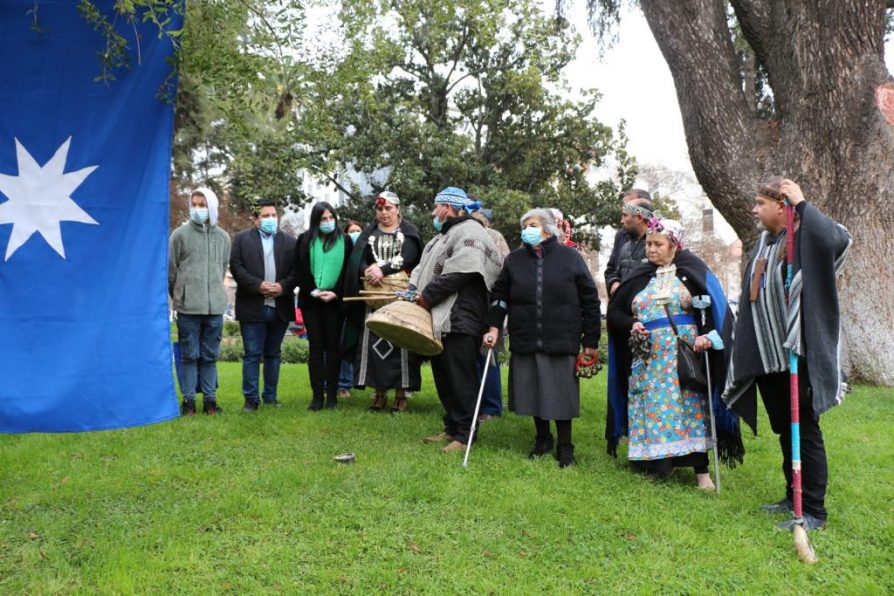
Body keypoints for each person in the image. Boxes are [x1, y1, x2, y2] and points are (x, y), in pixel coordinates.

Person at [723, 177, 851, 531]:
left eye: (760, 203)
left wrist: (804, 205)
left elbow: (838, 241)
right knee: (785, 429)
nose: (754, 210)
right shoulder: (766, 241)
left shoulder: (805, 237)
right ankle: (792, 492)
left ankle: (813, 510)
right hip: (770, 357)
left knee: (804, 428)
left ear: (782, 206)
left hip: (799, 353)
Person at [607, 216, 742, 488]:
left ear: (674, 246)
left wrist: (706, 336)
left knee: (691, 409)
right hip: (648, 361)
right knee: (654, 411)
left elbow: (710, 311)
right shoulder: (636, 278)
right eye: (649, 244)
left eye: (658, 244)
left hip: (684, 356)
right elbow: (614, 313)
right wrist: (631, 323)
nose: (651, 249)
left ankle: (702, 473)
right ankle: (659, 466)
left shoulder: (691, 272)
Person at [483, 209, 600, 467]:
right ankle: (543, 438)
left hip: (561, 336)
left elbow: (590, 300)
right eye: (524, 225)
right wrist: (493, 327)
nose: (526, 229)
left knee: (561, 393)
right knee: (533, 389)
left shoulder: (571, 258)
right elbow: (500, 296)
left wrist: (590, 341)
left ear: (547, 228)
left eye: (532, 225)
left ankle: (566, 444)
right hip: (526, 335)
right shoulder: (514, 260)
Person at [410, 187, 503, 452]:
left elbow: (463, 271)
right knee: (444, 376)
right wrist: (412, 291)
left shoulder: (471, 231)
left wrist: (427, 296)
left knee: (461, 378)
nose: (433, 212)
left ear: (448, 207)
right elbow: (423, 268)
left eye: (436, 206)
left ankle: (465, 435)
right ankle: (452, 427)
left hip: (462, 317)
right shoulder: (442, 236)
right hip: (442, 318)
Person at [342, 191, 423, 412]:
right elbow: (358, 258)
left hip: (400, 299)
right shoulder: (369, 232)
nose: (384, 213)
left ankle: (401, 393)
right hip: (374, 299)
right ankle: (379, 393)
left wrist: (382, 270)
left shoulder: (409, 232)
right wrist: (367, 271)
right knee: (374, 343)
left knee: (401, 342)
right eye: (380, 209)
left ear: (398, 209)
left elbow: (409, 256)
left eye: (388, 208)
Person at [229, 199, 297, 411]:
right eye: (265, 216)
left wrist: (282, 287)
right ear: (255, 219)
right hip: (252, 306)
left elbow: (296, 271)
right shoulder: (241, 240)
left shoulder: (290, 242)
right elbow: (237, 268)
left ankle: (270, 396)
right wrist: (258, 285)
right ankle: (251, 399)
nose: (271, 219)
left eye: (273, 215)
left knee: (273, 354)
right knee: (252, 354)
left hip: (280, 306)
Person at [169, 187, 231, 416]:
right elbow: (171, 271)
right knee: (189, 356)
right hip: (188, 308)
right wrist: (181, 295)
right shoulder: (179, 235)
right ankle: (188, 403)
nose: (197, 209)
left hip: (214, 307)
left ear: (212, 207)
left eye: (202, 204)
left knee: (209, 357)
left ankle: (210, 402)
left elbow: (222, 268)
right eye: (194, 204)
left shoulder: (223, 238)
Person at [604, 190, 654, 454]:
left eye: (625, 215)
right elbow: (611, 268)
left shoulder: (658, 239)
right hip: (620, 317)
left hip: (645, 320)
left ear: (640, 218)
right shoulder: (621, 238)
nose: (622, 220)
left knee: (642, 379)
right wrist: (613, 283)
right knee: (618, 377)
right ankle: (614, 436)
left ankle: (643, 435)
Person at [294, 202, 353, 411]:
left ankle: (332, 396)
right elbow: (300, 270)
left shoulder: (345, 241)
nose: (328, 222)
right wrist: (315, 291)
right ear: (316, 221)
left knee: (333, 348)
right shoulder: (305, 240)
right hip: (311, 302)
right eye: (323, 219)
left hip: (334, 302)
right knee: (316, 348)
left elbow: (349, 271)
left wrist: (335, 292)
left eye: (331, 218)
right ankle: (317, 395)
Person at [470, 207, 511, 420]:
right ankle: (477, 404)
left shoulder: (494, 237)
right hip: (472, 304)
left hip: (489, 303)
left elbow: (505, 267)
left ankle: (492, 406)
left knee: (488, 356)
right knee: (475, 356)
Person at [337, 219, 365, 399]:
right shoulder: (341, 252)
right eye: (351, 231)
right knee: (343, 342)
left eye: (358, 231)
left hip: (363, 305)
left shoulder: (366, 253)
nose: (355, 234)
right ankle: (343, 384)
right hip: (343, 304)